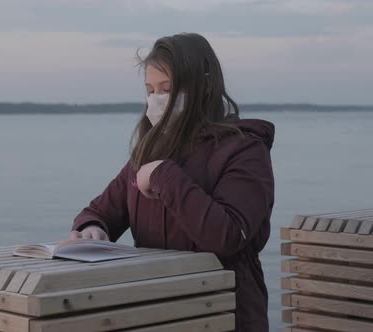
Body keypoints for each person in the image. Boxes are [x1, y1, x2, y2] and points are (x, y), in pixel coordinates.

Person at [69, 33, 274, 332]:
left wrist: (164, 175)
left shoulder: (244, 150)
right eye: (150, 90)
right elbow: (100, 210)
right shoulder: (147, 153)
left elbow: (227, 235)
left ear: (202, 87)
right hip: (159, 312)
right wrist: (91, 228)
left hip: (225, 315)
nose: (156, 100)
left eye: (167, 89)